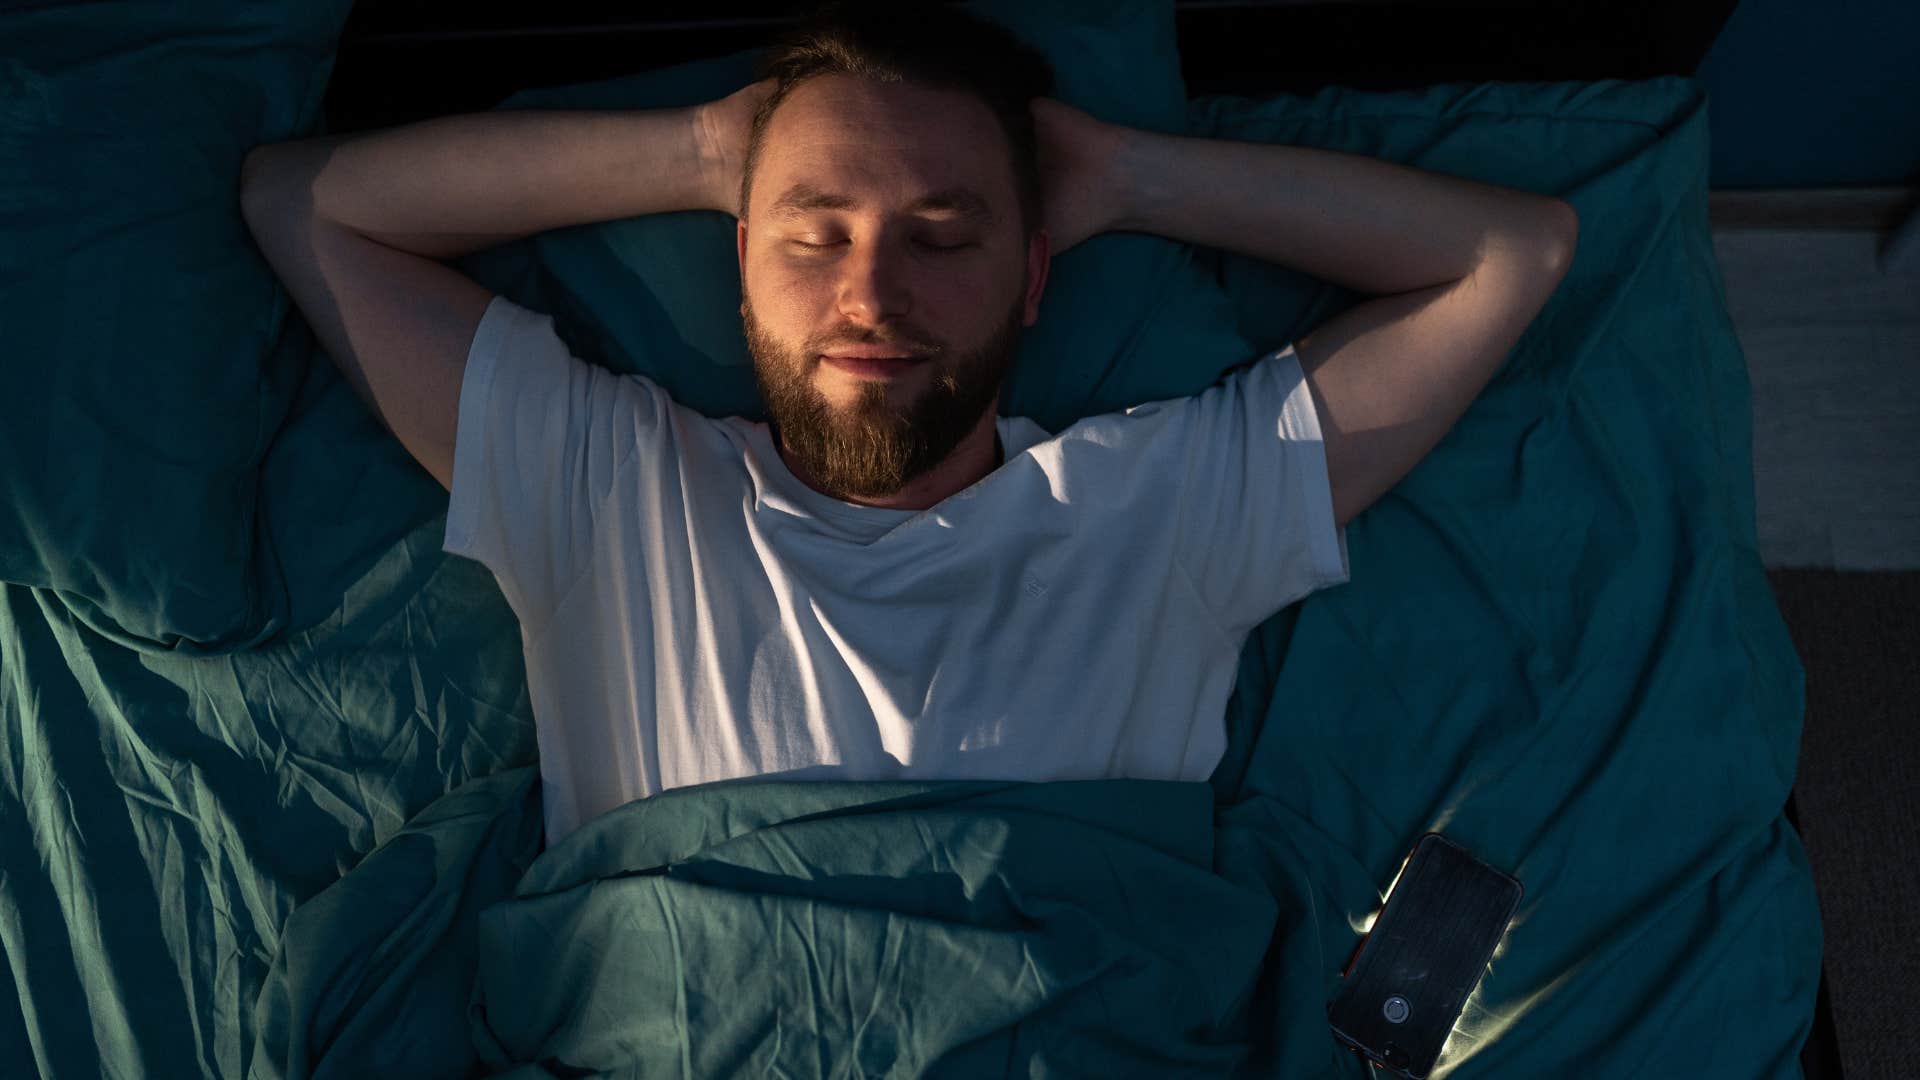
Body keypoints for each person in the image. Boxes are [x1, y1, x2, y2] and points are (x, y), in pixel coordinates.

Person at [239, 0, 1576, 845]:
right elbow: (307, 206)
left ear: (1036, 270)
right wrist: (705, 153)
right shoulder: (612, 492)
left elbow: (1511, 253)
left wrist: (1133, 175)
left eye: (942, 235)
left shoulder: (1160, 508)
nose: (872, 293)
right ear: (742, 258)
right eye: (814, 236)